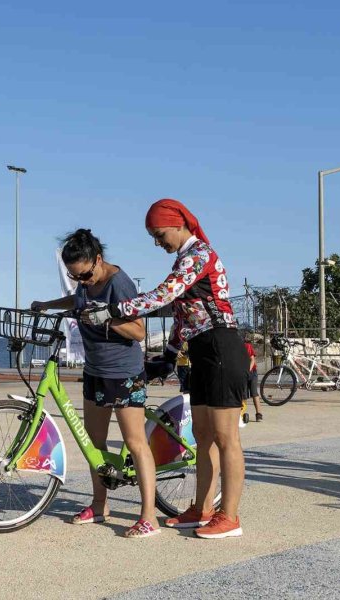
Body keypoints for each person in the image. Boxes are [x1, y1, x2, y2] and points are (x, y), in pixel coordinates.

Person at [82, 198, 249, 539]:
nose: (158, 243)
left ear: (178, 224)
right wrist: (170, 355)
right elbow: (181, 313)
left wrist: (114, 311)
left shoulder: (200, 254)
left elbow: (164, 295)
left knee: (226, 437)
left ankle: (229, 515)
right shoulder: (184, 259)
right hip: (201, 349)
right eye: (153, 238)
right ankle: (202, 509)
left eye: (159, 235)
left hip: (222, 345)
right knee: (203, 436)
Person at [31, 230, 157, 538]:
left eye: (85, 275)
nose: (82, 282)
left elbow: (139, 331)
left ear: (97, 260)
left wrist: (107, 319)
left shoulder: (118, 283)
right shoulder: (83, 283)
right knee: (94, 445)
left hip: (123, 372)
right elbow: (76, 300)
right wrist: (47, 304)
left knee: (135, 443)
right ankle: (100, 505)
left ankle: (149, 516)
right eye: (75, 277)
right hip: (95, 370)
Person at [244, 337, 263, 422]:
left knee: (254, 393)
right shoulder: (233, 349)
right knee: (243, 395)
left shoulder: (247, 346)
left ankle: (258, 414)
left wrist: (248, 371)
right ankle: (241, 413)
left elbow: (252, 360)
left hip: (251, 372)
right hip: (242, 373)